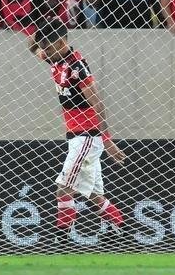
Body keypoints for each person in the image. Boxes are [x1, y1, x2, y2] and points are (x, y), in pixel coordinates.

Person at [29, 18, 126, 233]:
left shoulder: (77, 67)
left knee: (63, 188)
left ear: (61, 42)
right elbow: (31, 46)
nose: (44, 52)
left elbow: (97, 103)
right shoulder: (55, 59)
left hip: (87, 135)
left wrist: (107, 141)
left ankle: (62, 238)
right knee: (93, 195)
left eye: (48, 47)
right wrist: (43, 27)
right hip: (76, 136)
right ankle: (121, 227)